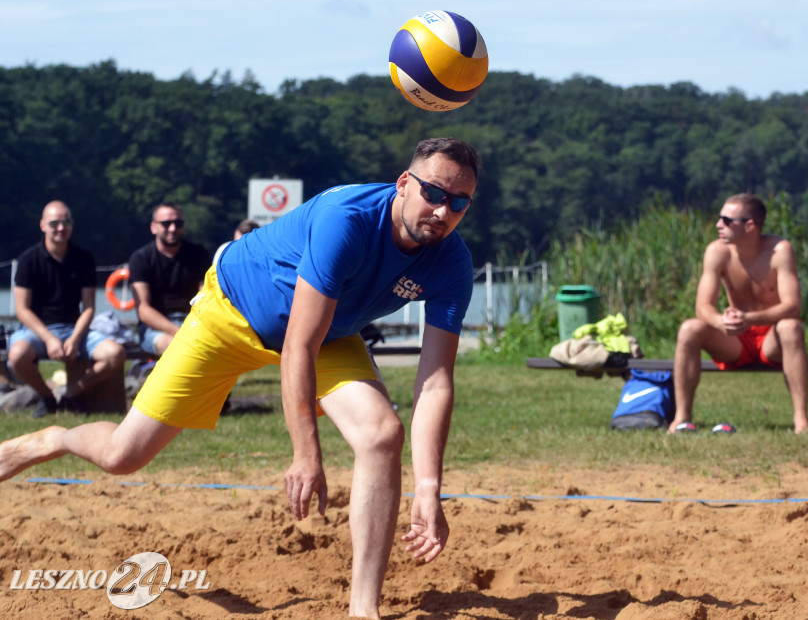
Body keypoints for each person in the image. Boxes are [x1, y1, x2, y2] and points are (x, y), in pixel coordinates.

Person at [0, 137, 479, 619]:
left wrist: (428, 488)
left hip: (330, 336)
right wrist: (305, 452)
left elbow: (435, 382)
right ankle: (52, 438)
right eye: (434, 193)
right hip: (231, 312)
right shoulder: (348, 219)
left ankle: (363, 609)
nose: (443, 211)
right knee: (123, 455)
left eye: (459, 203)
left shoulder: (452, 262)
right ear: (403, 184)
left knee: (381, 435)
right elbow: (297, 346)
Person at [670, 193, 808, 434]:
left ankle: (801, 420)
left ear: (750, 226)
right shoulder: (717, 252)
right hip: (735, 339)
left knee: (791, 326)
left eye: (727, 220)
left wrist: (750, 319)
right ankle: (681, 417)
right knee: (689, 328)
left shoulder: (780, 250)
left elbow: (792, 306)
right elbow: (703, 307)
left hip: (771, 338)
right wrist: (721, 321)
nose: (718, 225)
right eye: (719, 218)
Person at [5, 201, 127, 417]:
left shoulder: (84, 258)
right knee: (16, 356)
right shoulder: (28, 261)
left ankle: (71, 394)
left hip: (74, 328)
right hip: (36, 330)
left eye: (66, 222)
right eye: (55, 223)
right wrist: (49, 338)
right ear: (43, 225)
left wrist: (75, 338)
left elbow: (89, 307)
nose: (61, 228)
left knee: (115, 353)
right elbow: (22, 310)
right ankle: (47, 397)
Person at [128, 203, 212, 356]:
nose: (173, 228)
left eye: (178, 223)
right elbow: (144, 310)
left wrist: (194, 329)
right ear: (154, 227)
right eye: (166, 224)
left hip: (193, 322)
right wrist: (179, 332)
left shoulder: (199, 255)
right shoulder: (140, 259)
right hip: (156, 328)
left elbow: (205, 297)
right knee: (175, 345)